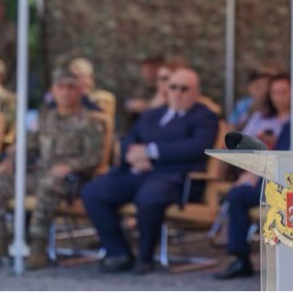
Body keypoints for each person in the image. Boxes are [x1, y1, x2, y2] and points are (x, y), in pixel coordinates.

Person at [82, 67, 219, 274]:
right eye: (173, 87)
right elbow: (129, 138)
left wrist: (151, 151)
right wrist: (131, 154)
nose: (178, 93)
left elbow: (197, 147)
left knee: (148, 197)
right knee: (93, 192)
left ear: (196, 92)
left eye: (184, 89)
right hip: (138, 172)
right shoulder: (153, 114)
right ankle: (118, 252)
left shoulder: (205, 117)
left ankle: (145, 257)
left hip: (175, 179)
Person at [0, 69, 105, 269]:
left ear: (79, 91)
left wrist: (70, 166)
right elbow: (28, 145)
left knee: (48, 185)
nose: (66, 92)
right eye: (61, 87)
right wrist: (11, 161)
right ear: (53, 91)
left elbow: (94, 157)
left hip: (71, 180)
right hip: (39, 173)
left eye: (71, 87)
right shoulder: (45, 118)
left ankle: (38, 247)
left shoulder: (90, 121)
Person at [214, 75, 293, 280]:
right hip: (280, 184)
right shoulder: (291, 126)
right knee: (237, 194)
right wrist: (257, 174)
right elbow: (276, 158)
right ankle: (240, 259)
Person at [240, 73, 290, 148]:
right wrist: (259, 138)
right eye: (274, 92)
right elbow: (242, 142)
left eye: (283, 92)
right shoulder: (259, 117)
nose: (278, 97)